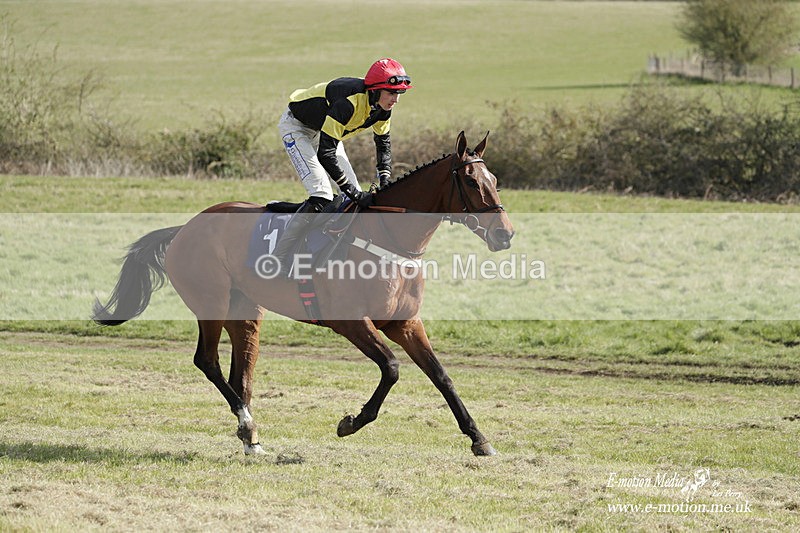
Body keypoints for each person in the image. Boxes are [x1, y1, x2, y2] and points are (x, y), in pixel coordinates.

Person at [272, 58, 413, 276]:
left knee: (350, 200)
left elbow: (383, 144)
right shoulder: (348, 103)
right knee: (321, 193)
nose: (395, 100)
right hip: (297, 127)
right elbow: (326, 155)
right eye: (391, 93)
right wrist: (353, 191)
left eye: (399, 94)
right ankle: (279, 258)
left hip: (325, 132)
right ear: (375, 91)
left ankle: (336, 250)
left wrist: (384, 180)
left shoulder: (382, 108)